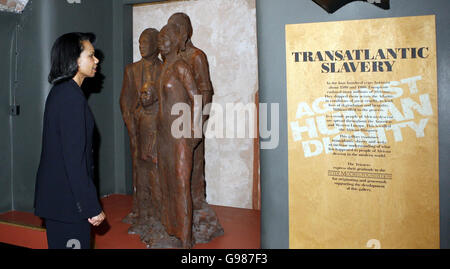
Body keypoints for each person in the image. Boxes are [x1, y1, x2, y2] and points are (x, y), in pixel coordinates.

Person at [34, 32, 106, 249]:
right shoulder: (70, 99)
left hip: (61, 202)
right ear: (74, 60)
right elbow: (74, 161)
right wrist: (90, 206)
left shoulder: (62, 92)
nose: (97, 60)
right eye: (91, 56)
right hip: (67, 206)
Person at [156, 23, 201, 248]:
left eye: (165, 38)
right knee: (168, 183)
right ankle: (172, 229)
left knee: (182, 184)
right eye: (160, 38)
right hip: (164, 135)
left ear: (175, 41)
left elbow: (197, 98)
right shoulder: (164, 67)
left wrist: (195, 130)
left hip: (181, 133)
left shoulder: (181, 66)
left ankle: (186, 239)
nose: (160, 42)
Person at [120, 28, 162, 226]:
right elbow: (125, 101)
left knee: (158, 172)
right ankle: (139, 210)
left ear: (156, 44)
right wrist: (131, 128)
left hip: (157, 129)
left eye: (145, 42)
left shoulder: (165, 69)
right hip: (137, 128)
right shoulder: (131, 70)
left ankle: (158, 212)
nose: (141, 46)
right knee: (139, 170)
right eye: (139, 42)